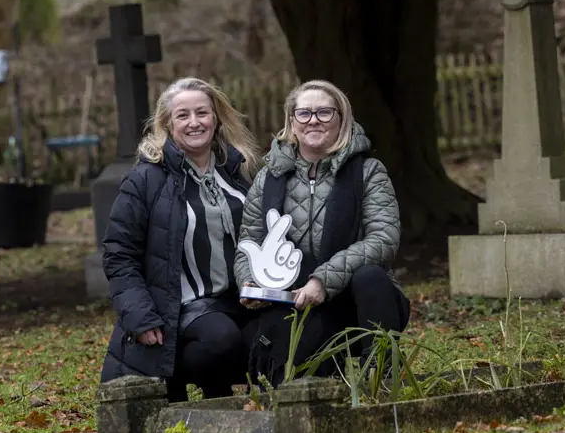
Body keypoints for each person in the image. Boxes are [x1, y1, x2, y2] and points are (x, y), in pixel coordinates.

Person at [233, 79, 410, 387]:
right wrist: (250, 281)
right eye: (304, 113)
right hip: (293, 300)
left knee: (371, 277)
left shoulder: (368, 171)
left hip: (355, 301)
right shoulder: (267, 178)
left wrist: (323, 280)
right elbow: (249, 241)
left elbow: (383, 239)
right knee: (289, 374)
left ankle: (381, 377)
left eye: (324, 112)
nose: (313, 120)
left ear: (341, 119)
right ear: (292, 122)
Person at [99, 77, 262, 402]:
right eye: (183, 115)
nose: (194, 122)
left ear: (216, 118)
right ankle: (198, 392)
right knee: (221, 340)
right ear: (167, 124)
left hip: (243, 302)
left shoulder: (240, 172)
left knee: (283, 337)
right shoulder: (145, 180)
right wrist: (140, 316)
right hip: (180, 307)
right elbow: (119, 254)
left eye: (202, 113)